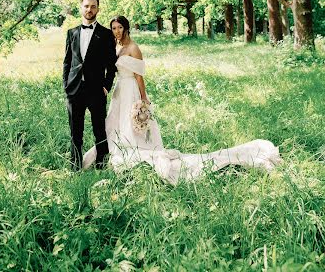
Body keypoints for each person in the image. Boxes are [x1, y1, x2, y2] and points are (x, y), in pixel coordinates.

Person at [83, 15, 280, 184]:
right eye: (114, 28)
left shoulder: (134, 47)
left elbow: (139, 76)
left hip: (132, 90)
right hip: (119, 90)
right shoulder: (116, 47)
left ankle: (136, 149)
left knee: (132, 123)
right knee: (114, 123)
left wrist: (143, 99)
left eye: (120, 28)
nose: (116, 31)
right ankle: (109, 152)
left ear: (126, 28)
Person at [63, 0, 117, 170]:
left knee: (99, 132)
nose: (89, 10)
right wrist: (66, 85)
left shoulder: (106, 34)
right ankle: (75, 167)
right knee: (75, 133)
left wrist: (106, 87)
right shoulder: (71, 33)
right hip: (75, 90)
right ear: (81, 8)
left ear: (98, 10)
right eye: (86, 6)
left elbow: (111, 65)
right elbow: (67, 61)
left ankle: (101, 166)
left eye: (93, 6)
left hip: (96, 90)